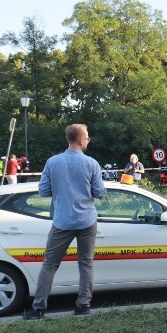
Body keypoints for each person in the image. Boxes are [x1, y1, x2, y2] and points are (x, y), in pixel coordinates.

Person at [24, 124, 105, 320]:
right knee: (86, 263)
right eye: (87, 138)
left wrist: (62, 191)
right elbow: (100, 193)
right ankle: (83, 305)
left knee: (50, 264)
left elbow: (43, 190)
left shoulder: (52, 162)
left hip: (62, 222)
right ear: (80, 140)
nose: (88, 140)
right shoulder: (92, 164)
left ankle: (38, 309)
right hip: (86, 221)